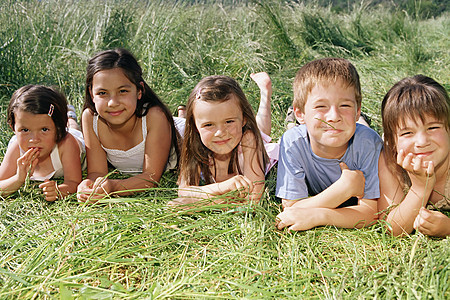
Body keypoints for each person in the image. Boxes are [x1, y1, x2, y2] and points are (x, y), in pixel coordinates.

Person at [275, 58, 383, 231]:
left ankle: (362, 121)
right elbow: (290, 209)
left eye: (345, 105)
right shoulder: (292, 143)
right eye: (321, 106)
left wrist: (320, 216)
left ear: (357, 110)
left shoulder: (370, 144)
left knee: (362, 130)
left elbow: (371, 213)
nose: (334, 116)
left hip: (360, 132)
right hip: (306, 129)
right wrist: (343, 189)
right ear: (300, 113)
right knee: (298, 131)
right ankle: (292, 121)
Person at [77, 48, 180, 202]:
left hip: (182, 131)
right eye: (102, 93)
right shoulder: (90, 118)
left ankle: (183, 113)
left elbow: (150, 178)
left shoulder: (154, 116)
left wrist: (113, 187)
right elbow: (97, 172)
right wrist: (88, 185)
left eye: (123, 91)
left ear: (139, 91)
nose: (113, 103)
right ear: (92, 94)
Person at [168, 73, 278, 207]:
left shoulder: (248, 139)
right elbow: (184, 191)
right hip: (235, 135)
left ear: (243, 119)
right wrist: (222, 187)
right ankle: (184, 115)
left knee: (261, 133)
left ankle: (265, 93)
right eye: (208, 124)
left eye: (229, 121)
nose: (220, 132)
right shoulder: (195, 143)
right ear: (195, 127)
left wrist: (196, 203)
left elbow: (253, 199)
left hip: (249, 145)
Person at [378, 75, 450, 237]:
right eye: (407, 132)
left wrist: (448, 228)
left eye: (432, 128)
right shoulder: (389, 160)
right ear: (393, 142)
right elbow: (391, 228)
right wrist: (419, 188)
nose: (422, 142)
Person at [0, 85, 85, 201]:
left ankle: (70, 117)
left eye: (44, 129)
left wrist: (59, 191)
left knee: (74, 128)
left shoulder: (66, 143)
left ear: (59, 128)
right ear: (13, 128)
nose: (34, 139)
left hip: (73, 137)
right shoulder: (16, 147)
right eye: (25, 130)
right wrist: (18, 179)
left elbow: (74, 182)